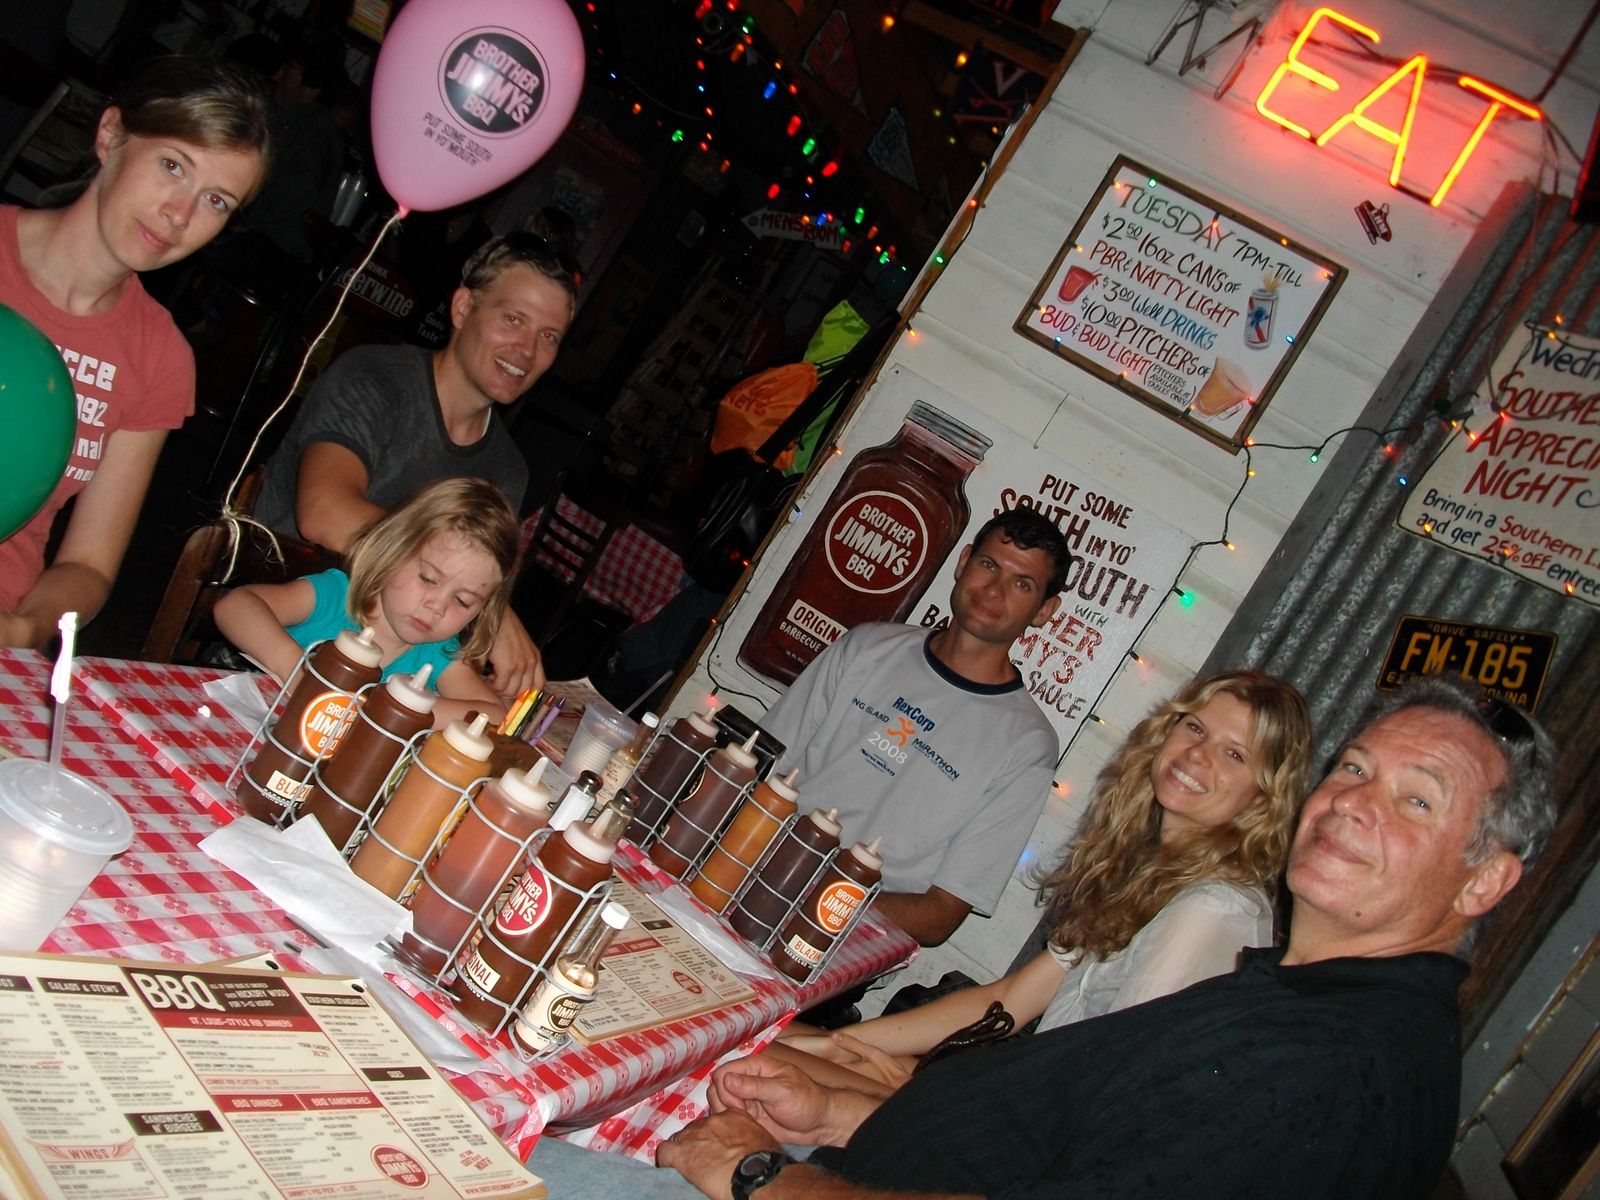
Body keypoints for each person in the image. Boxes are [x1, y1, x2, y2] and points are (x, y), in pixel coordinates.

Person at [568, 675, 1549, 1199]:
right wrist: (834, 1081)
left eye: (1416, 800)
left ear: (1486, 880)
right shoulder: (1286, 991)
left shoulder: (1316, 1056)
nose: (1355, 805)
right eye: (1356, 770)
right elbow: (1026, 1037)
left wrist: (765, 1173)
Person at [770, 669, 1311, 1095]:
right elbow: (1010, 999)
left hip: (1042, 1138)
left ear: (1264, 795)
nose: (1197, 755)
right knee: (773, 1044)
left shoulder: (1212, 908)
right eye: (1195, 728)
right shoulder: (1148, 873)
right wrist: (839, 1045)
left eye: (1234, 754)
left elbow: (1105, 1077)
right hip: (1026, 1104)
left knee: (768, 1067)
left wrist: (919, 1084)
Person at [0, 56, 271, 648]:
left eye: (217, 201)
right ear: (111, 135)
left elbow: (88, 565)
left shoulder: (160, 356)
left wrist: (23, 628)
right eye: (172, 166)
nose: (180, 215)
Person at [252, 224, 578, 700]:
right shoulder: (374, 377)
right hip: (274, 636)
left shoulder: (509, 469)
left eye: (548, 336)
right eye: (513, 319)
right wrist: (500, 615)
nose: (528, 351)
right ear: (462, 308)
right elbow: (323, 514)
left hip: (380, 675)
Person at [757, 506, 1071, 946]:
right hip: (753, 874)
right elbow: (761, 769)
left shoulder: (1028, 745)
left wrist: (813, 899)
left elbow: (939, 916)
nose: (994, 591)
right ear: (963, 563)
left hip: (845, 943)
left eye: (1023, 584)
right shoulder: (866, 647)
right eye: (988, 565)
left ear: (1044, 610)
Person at [215, 477, 518, 728]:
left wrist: (396, 710)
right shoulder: (336, 597)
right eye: (428, 578)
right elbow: (235, 605)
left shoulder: (438, 653)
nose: (437, 607)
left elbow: (494, 715)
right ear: (392, 550)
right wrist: (299, 673)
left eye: (463, 601)